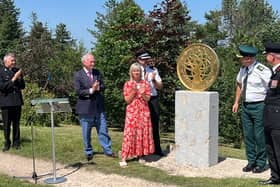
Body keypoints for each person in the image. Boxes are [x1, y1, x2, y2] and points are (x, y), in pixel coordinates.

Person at [232, 45, 271, 173]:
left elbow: (271, 87)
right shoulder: (243, 69)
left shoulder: (262, 70)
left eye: (242, 58)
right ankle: (251, 161)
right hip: (246, 105)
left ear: (248, 58)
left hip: (259, 105)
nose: (240, 60)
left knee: (259, 135)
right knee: (248, 135)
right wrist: (236, 102)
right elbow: (239, 84)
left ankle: (261, 163)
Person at [73, 53, 115, 161]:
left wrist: (98, 88)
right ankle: (88, 151)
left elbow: (103, 86)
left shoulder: (97, 72)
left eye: (94, 61)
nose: (93, 63)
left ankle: (108, 150)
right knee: (86, 132)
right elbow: (78, 91)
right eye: (91, 61)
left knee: (103, 130)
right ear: (84, 62)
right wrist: (91, 90)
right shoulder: (78, 75)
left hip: (98, 107)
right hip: (85, 108)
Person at [119, 63, 154, 167]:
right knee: (129, 133)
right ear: (131, 72)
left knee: (141, 133)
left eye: (138, 70)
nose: (136, 72)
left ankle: (140, 155)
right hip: (132, 112)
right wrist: (134, 91)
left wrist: (143, 93)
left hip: (143, 111)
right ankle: (124, 157)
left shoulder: (145, 84)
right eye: (134, 71)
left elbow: (148, 99)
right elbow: (127, 100)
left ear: (140, 72)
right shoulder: (127, 84)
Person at [136, 50, 164, 157]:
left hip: (153, 98)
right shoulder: (135, 70)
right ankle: (142, 150)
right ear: (138, 60)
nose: (145, 61)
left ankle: (157, 148)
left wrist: (153, 80)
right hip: (141, 99)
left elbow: (160, 86)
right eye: (143, 59)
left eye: (146, 59)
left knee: (155, 124)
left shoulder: (153, 70)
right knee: (141, 125)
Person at [260, 42, 280, 185]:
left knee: (278, 150)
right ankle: (275, 177)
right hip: (269, 115)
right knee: (271, 149)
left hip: (277, 117)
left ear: (273, 57)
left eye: (267, 55)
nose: (266, 57)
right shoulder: (275, 72)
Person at [0, 53, 25, 151]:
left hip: (17, 102)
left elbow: (22, 86)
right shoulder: (1, 72)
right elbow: (3, 87)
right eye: (12, 61)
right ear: (6, 61)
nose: (14, 62)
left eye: (14, 60)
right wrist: (14, 78)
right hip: (6, 102)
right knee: (6, 124)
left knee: (16, 123)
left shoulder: (17, 70)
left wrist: (19, 78)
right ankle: (7, 143)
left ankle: (16, 143)